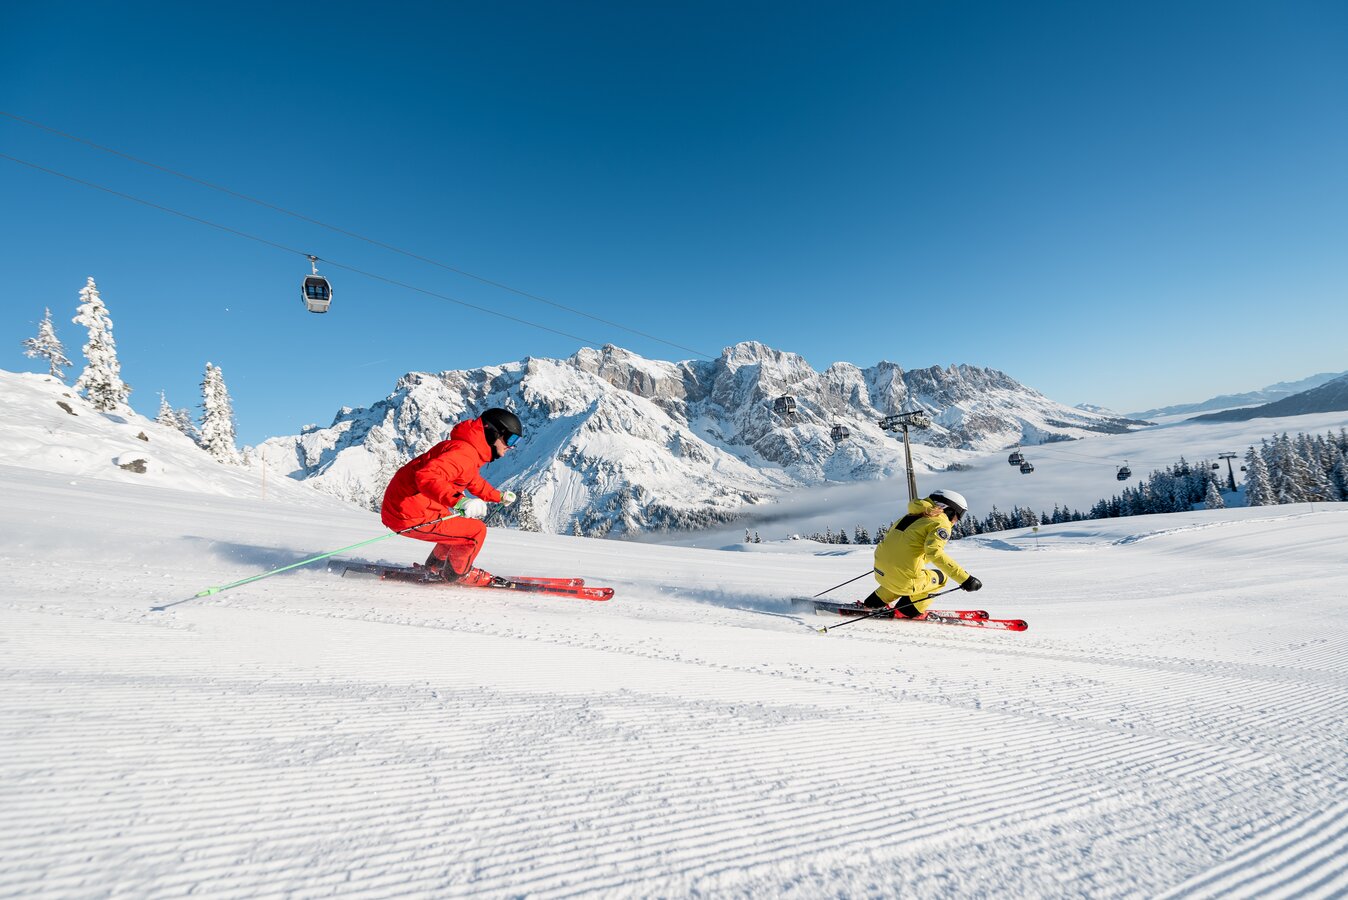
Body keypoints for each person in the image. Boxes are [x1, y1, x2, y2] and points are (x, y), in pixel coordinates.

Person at [380, 407, 522, 585]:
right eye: (510, 438)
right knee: (475, 531)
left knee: (458, 528)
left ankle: (435, 567)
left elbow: (473, 481)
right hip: (409, 513)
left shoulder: (466, 451)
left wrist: (498, 497)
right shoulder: (463, 454)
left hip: (410, 507)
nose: (511, 446)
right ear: (492, 432)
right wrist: (459, 501)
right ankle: (456, 575)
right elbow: (427, 476)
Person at [861, 488, 982, 617]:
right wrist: (966, 579)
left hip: (880, 573)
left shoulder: (910, 516)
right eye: (959, 514)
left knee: (906, 575)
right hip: (903, 580)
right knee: (941, 578)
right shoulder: (940, 522)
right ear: (949, 510)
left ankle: (872, 603)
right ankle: (906, 611)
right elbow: (934, 553)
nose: (957, 520)